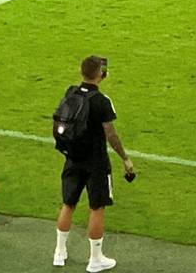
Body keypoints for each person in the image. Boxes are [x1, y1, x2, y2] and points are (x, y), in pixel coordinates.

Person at [53, 55, 134, 272]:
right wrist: (125, 158)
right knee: (96, 207)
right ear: (101, 74)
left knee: (68, 203)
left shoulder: (70, 93)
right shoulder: (102, 101)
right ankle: (95, 259)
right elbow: (111, 134)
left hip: (72, 157)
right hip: (95, 162)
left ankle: (59, 253)